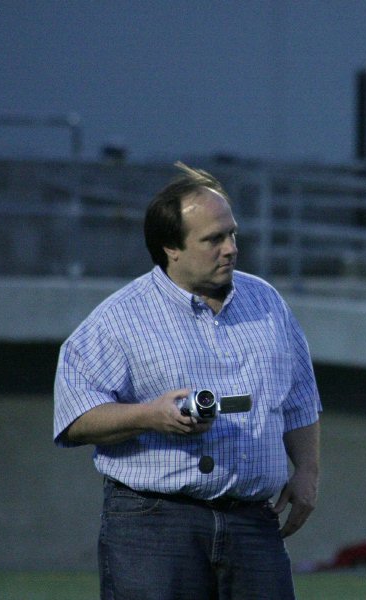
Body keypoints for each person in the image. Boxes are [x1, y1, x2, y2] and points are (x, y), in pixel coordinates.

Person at [53, 163, 322, 600]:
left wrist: (307, 470)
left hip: (252, 524)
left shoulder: (267, 302)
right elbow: (73, 416)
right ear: (170, 248)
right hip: (154, 526)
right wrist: (150, 416)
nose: (231, 248)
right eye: (213, 239)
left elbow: (300, 398)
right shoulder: (119, 319)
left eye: (232, 234)